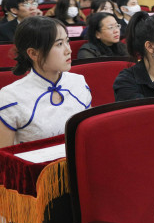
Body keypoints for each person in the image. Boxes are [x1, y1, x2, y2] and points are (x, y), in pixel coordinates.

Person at [0, 17, 91, 146]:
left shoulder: (78, 82)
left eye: (67, 41)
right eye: (59, 44)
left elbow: (88, 136)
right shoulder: (11, 96)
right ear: (33, 53)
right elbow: (4, 155)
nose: (68, 50)